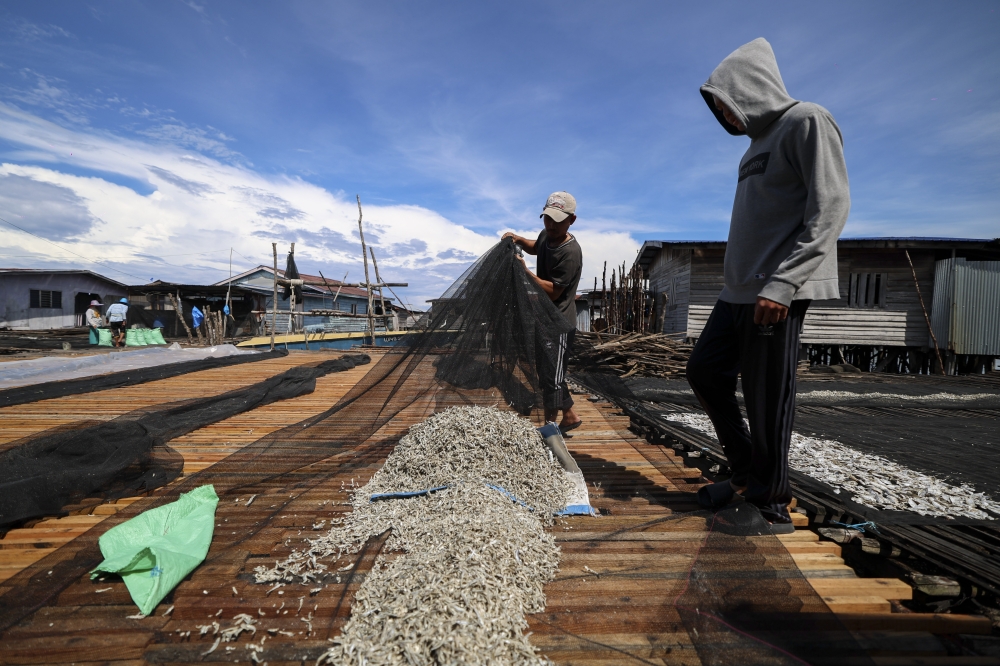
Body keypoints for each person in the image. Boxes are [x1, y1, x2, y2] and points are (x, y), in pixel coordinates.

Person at [686, 38, 850, 533]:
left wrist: (783, 284)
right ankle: (745, 473)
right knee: (705, 372)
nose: (725, 116)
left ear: (749, 90)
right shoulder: (754, 149)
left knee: (767, 398)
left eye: (727, 104)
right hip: (737, 291)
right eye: (718, 110)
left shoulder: (807, 121)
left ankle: (770, 503)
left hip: (775, 291)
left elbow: (830, 208)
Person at [503, 191, 584, 434]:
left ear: (571, 220)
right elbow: (535, 246)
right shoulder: (547, 234)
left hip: (559, 325)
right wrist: (516, 238)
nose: (551, 225)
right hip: (542, 318)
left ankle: (549, 428)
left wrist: (526, 273)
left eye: (557, 220)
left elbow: (554, 292)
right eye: (547, 219)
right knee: (547, 372)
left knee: (553, 377)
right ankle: (569, 415)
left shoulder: (570, 253)